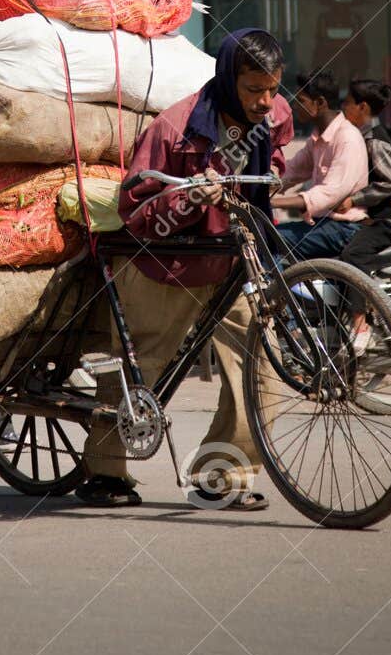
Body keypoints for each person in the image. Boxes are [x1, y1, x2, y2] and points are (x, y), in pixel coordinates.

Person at [76, 27, 286, 511]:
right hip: (163, 266)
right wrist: (190, 196)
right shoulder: (174, 128)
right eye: (254, 90)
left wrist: (272, 175)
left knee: (261, 372)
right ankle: (105, 473)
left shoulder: (273, 118)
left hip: (230, 262)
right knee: (135, 371)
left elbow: (272, 157)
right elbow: (136, 207)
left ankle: (222, 477)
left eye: (273, 88)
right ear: (229, 79)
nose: (265, 101)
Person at [272, 71, 368, 259]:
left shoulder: (347, 138)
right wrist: (256, 187)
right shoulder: (317, 139)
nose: (295, 106)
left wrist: (273, 202)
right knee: (260, 235)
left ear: (320, 103)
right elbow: (290, 171)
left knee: (270, 239)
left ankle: (274, 289)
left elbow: (329, 193)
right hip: (321, 225)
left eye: (301, 100)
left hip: (343, 229)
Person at [339, 78, 391, 269]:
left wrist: (353, 200)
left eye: (347, 103)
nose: (343, 108)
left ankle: (365, 297)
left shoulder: (375, 140)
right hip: (377, 218)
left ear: (362, 107)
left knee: (352, 255)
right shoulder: (361, 136)